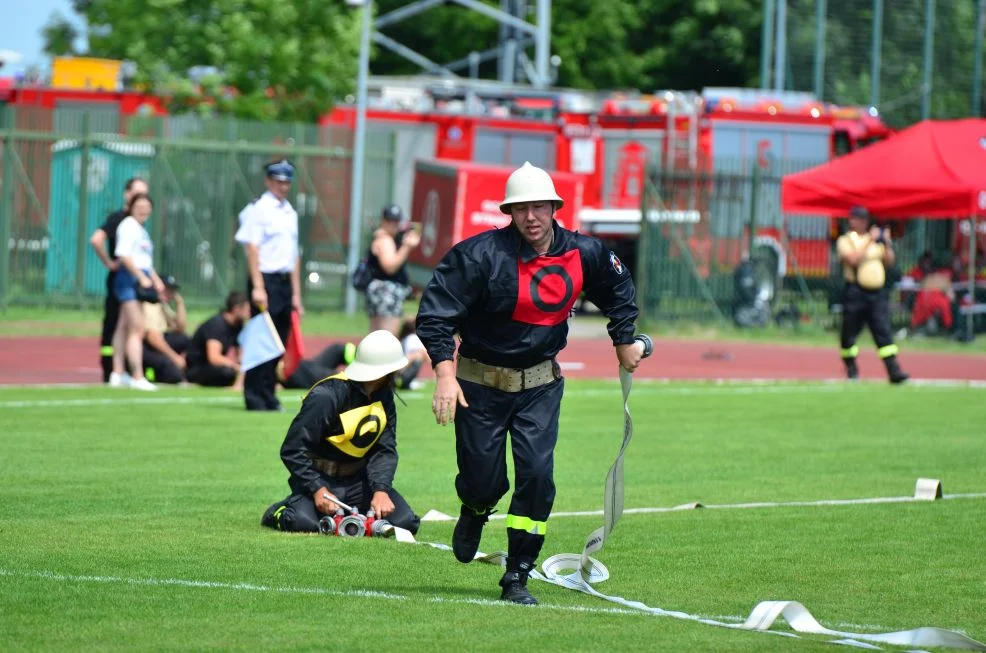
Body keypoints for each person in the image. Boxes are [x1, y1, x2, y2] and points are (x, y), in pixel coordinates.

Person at [415, 161, 644, 605]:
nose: (531, 217)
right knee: (484, 482)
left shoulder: (586, 253)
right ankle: (476, 509)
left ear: (555, 207)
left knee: (537, 477)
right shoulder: (479, 255)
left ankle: (517, 575)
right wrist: (445, 374)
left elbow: (619, 290)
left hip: (540, 387)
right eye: (520, 209)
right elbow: (435, 314)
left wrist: (624, 340)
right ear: (509, 213)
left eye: (539, 207)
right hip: (479, 386)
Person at [261, 330, 421, 535]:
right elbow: (293, 449)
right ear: (385, 371)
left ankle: (351, 515)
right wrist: (318, 488)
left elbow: (385, 449)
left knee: (405, 523)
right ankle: (281, 510)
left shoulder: (385, 396)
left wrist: (381, 490)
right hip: (321, 481)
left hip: (359, 482)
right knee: (301, 522)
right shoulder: (326, 396)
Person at [234, 160, 303, 411]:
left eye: (287, 182)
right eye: (278, 181)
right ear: (268, 181)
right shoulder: (259, 209)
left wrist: (296, 293)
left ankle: (269, 392)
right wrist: (258, 286)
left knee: (278, 342)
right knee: (261, 339)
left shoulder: (290, 212)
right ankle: (254, 396)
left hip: (284, 283)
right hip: (266, 280)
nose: (283, 187)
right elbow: (252, 248)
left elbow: (294, 255)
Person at [836, 205, 909, 383]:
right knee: (849, 331)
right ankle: (851, 366)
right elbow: (852, 259)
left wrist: (887, 243)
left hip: (876, 294)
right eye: (859, 219)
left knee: (882, 329)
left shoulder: (877, 242)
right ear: (852, 220)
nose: (863, 222)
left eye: (865, 219)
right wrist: (870, 239)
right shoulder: (846, 240)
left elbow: (889, 261)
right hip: (855, 292)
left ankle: (893, 370)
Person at [90, 177, 149, 383]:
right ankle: (115, 371)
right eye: (137, 194)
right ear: (127, 194)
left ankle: (118, 371)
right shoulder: (121, 219)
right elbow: (97, 239)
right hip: (124, 277)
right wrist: (109, 262)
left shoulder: (138, 222)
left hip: (131, 277)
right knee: (122, 325)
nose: (141, 201)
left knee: (123, 326)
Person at [109, 193, 162, 391]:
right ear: (131, 207)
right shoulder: (128, 226)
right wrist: (141, 277)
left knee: (123, 326)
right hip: (129, 279)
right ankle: (137, 375)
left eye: (147, 206)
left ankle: (117, 372)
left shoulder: (141, 229)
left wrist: (154, 278)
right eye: (139, 205)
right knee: (137, 327)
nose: (143, 209)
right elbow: (124, 255)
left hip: (139, 277)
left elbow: (144, 259)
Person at [364, 204, 420, 336]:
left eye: (396, 221)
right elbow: (390, 267)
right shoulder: (385, 240)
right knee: (387, 339)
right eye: (390, 220)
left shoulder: (383, 237)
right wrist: (407, 246)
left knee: (377, 337)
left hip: (382, 291)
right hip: (387, 292)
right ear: (383, 221)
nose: (394, 224)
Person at [185, 291, 251, 388]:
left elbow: (239, 351)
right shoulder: (217, 325)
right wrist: (235, 366)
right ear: (236, 309)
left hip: (216, 366)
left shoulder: (238, 325)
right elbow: (214, 358)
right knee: (227, 373)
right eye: (246, 309)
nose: (249, 313)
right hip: (198, 368)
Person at [142, 274, 189, 384]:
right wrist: (175, 358)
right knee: (174, 375)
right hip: (147, 347)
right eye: (167, 289)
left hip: (156, 343)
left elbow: (180, 328)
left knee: (185, 339)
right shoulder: (150, 305)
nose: (170, 293)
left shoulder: (161, 305)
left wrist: (180, 304)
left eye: (172, 290)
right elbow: (152, 337)